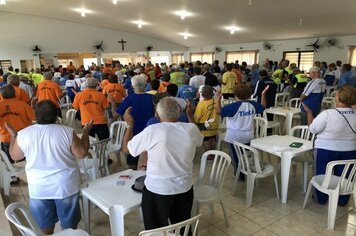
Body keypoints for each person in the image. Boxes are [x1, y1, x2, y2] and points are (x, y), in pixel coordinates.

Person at [6, 100, 92, 234]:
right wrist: (85, 132)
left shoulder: (24, 134)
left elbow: (15, 156)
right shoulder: (67, 132)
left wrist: (13, 136)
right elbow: (81, 153)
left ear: (36, 115)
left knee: (44, 226)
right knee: (69, 227)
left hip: (39, 187)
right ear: (56, 115)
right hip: (65, 186)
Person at [122, 97, 203, 232]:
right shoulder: (191, 129)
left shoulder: (153, 130)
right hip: (184, 188)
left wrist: (129, 124)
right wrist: (189, 115)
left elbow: (126, 149)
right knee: (182, 228)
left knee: (155, 230)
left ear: (157, 114)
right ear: (179, 113)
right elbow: (199, 140)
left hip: (158, 190)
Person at [304, 85, 356, 205]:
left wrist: (309, 113)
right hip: (350, 150)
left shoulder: (327, 114)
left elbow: (313, 129)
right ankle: (342, 200)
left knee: (321, 174)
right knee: (345, 176)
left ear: (338, 99)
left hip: (325, 150)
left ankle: (320, 198)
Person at [216, 84, 269, 177]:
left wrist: (218, 98)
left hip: (234, 137)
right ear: (249, 95)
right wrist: (263, 94)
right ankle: (248, 169)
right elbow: (263, 106)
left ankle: (239, 175)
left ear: (235, 95)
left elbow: (219, 111)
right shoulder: (252, 105)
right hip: (248, 135)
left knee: (236, 157)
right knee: (246, 155)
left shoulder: (232, 106)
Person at [110, 75, 155, 170]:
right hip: (150, 132)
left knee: (131, 158)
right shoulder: (152, 98)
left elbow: (115, 114)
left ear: (132, 86)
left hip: (133, 132)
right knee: (151, 158)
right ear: (145, 85)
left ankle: (133, 175)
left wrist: (113, 102)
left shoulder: (129, 98)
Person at [0, 85, 35, 184]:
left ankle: (13, 178)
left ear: (1, 95)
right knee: (28, 158)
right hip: (25, 138)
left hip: (7, 138)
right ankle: (31, 175)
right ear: (15, 94)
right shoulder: (23, 105)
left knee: (8, 160)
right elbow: (33, 118)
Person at [194, 86, 219, 157]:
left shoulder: (201, 104)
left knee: (206, 141)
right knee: (213, 139)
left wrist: (195, 122)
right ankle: (213, 154)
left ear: (202, 94)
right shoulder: (215, 101)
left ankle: (209, 156)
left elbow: (197, 116)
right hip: (215, 126)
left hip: (205, 128)